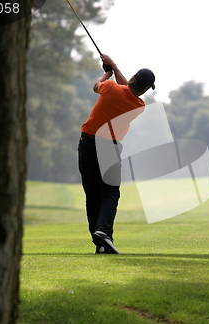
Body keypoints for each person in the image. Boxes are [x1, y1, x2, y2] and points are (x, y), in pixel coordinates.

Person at [78, 55, 155, 254]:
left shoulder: (110, 87)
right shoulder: (139, 106)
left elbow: (97, 85)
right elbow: (128, 91)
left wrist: (108, 72)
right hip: (108, 148)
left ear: (132, 78)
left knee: (92, 194)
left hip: (87, 143)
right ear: (145, 89)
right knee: (110, 192)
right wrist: (114, 68)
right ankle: (103, 232)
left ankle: (100, 243)